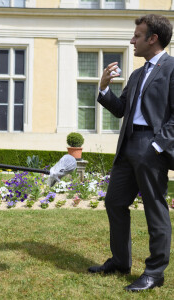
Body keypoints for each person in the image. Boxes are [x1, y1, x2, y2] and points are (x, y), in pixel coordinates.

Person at [88, 14, 174, 292]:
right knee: (114, 202)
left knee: (154, 208)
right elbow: (121, 108)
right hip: (127, 145)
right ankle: (120, 261)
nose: (131, 40)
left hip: (152, 146)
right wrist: (103, 87)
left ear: (153, 38)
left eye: (137, 36)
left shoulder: (172, 68)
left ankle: (154, 272)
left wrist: (159, 145)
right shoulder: (137, 74)